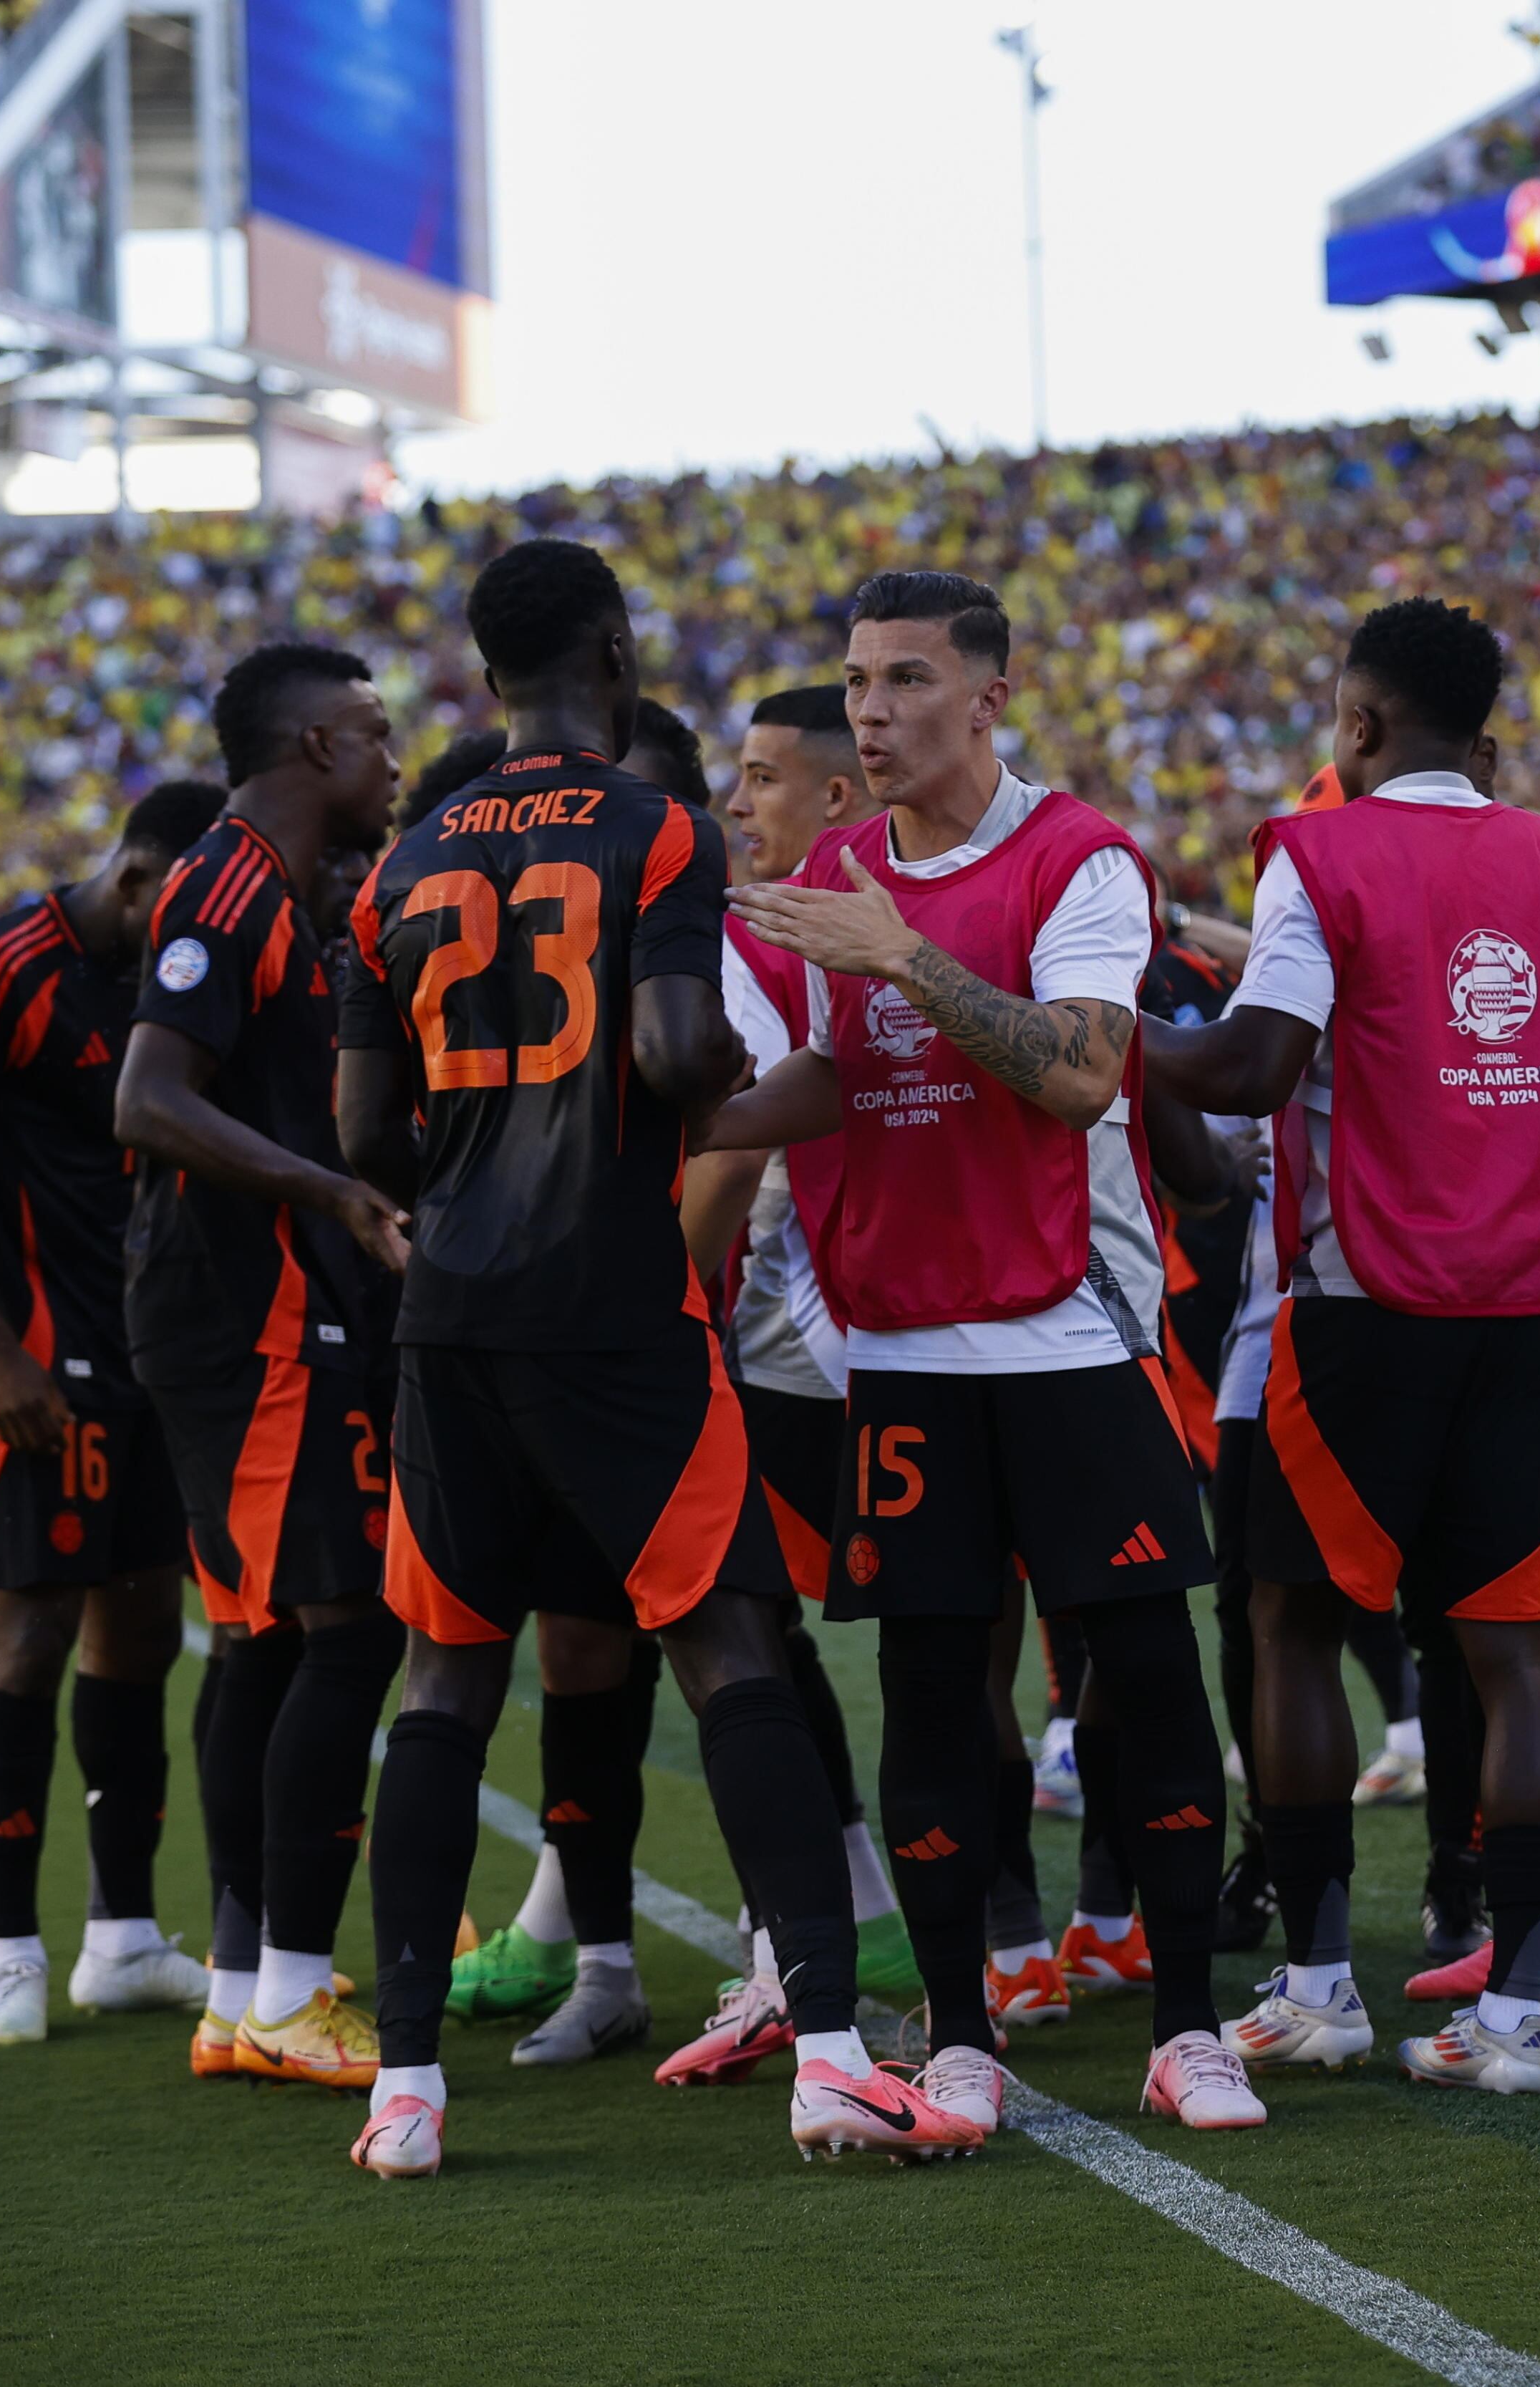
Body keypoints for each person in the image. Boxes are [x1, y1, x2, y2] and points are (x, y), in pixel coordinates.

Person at [330, 536, 945, 2176]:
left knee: (445, 1682)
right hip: (614, 1301)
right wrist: (699, 1068)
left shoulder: (406, 859)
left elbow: (365, 1131)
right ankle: (826, 2053)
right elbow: (678, 1047)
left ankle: (404, 2090)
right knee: (731, 1646)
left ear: (480, 666)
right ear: (611, 643)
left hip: (449, 1311)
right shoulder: (658, 824)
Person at [706, 569, 1259, 2135]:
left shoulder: (1079, 861)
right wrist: (696, 1124)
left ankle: (1188, 2022)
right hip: (904, 1353)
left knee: (1143, 1676)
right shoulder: (831, 872)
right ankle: (957, 2030)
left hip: (1072, 1335)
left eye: (904, 681)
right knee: (939, 1694)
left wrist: (904, 957)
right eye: (858, 681)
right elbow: (837, 1077)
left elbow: (1083, 1075)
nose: (873, 711)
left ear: (989, 698)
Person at [1142, 596, 1540, 2098]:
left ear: (1353, 724)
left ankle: (1321, 1979)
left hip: (1363, 1308)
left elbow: (1256, 1058)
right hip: (1533, 1307)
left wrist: (1106, 1034)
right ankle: (1517, 2016)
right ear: (1485, 735)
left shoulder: (1317, 852)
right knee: (1515, 1652)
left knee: (1287, 1622)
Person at [0, 780, 225, 2045]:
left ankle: (122, 1937)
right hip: (33, 1357)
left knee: (138, 1633)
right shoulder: (4, 966)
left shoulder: (180, 969)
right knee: (27, 1632)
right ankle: (9, 1950)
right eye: (184, 905)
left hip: (154, 1350)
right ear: (137, 880)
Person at [115, 643, 411, 2091]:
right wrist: (328, 1192)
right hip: (253, 1309)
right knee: (346, 1626)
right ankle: (293, 1987)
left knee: (272, 1637)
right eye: (374, 733)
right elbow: (148, 1096)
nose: (393, 758)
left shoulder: (273, 891)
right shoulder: (228, 886)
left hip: (247, 1300)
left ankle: (245, 1991)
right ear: (311, 745)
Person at [646, 679, 929, 2084]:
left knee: (787, 1641)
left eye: (759, 777)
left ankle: (868, 1947)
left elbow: (736, 1149)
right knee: (906, 1645)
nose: (734, 803)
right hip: (879, 1335)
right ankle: (911, 1934)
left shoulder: (766, 936)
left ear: (832, 795)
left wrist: (667, 1303)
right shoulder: (889, 908)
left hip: (819, 1349)